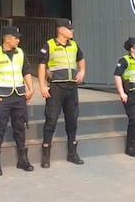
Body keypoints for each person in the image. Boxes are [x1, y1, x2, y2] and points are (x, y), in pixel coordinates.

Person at [0, 26, 34, 176]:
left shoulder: (21, 53)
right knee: (0, 128)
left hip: (19, 95)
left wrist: (31, 89)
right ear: (7, 38)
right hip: (1, 96)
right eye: (16, 37)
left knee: (20, 127)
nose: (18, 40)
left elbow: (26, 71)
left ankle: (23, 159)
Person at [37, 18, 86, 168]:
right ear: (60, 30)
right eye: (69, 28)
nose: (72, 31)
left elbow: (81, 59)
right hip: (56, 88)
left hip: (72, 88)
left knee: (72, 120)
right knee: (51, 119)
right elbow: (41, 66)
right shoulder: (49, 45)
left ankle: (72, 153)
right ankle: (46, 155)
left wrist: (82, 71)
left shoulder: (74, 45)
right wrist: (43, 86)